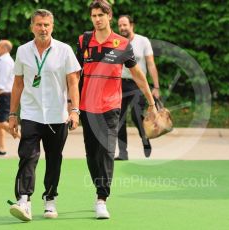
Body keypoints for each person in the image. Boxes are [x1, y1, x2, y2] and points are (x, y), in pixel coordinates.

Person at [76, 0, 157, 219]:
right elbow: (74, 75)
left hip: (111, 105)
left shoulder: (121, 43)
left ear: (109, 16)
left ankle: (102, 198)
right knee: (91, 153)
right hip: (86, 106)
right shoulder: (84, 41)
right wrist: (70, 104)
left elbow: (138, 74)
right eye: (93, 16)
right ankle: (98, 188)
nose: (97, 19)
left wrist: (151, 102)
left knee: (107, 150)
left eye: (101, 15)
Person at [8, 9, 81, 222]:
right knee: (27, 157)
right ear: (32, 27)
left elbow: (73, 82)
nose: (43, 29)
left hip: (58, 115)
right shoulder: (22, 51)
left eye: (47, 24)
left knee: (54, 160)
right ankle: (24, 200)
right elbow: (18, 83)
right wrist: (13, 113)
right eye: (39, 24)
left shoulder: (65, 50)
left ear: (52, 26)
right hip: (31, 113)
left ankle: (50, 199)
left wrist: (74, 110)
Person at [115, 15, 160, 160]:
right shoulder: (116, 42)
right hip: (120, 84)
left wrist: (156, 86)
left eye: (125, 25)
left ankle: (145, 139)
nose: (122, 28)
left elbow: (151, 64)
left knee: (136, 115)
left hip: (138, 84)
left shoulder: (143, 41)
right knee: (119, 119)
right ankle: (123, 153)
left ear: (131, 25)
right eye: (120, 25)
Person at [0, 40, 17, 156]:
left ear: (4, 48)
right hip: (3, 93)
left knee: (1, 122)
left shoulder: (5, 61)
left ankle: (23, 138)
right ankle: (2, 148)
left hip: (4, 94)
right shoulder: (2, 60)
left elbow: (2, 81)